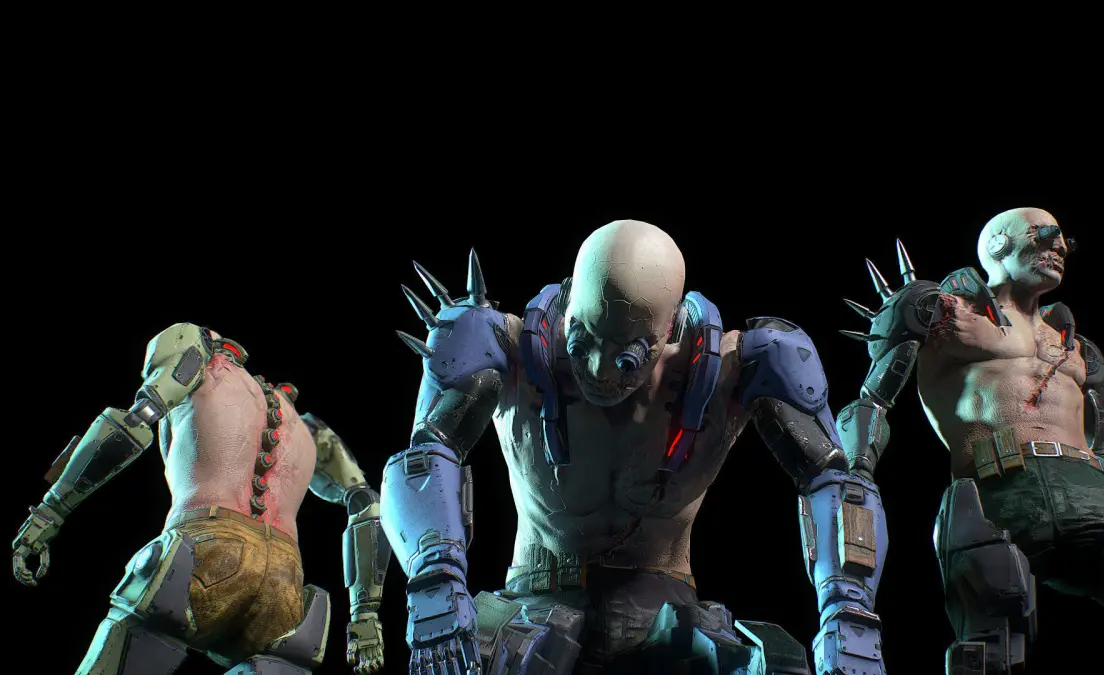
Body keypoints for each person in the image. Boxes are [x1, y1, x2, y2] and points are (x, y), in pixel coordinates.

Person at [382, 220, 888, 674]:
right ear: (568, 301)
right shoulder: (505, 347)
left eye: (627, 356)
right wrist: (436, 583)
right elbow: (426, 456)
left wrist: (848, 610)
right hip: (533, 603)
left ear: (669, 329)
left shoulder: (741, 365)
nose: (598, 370)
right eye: (582, 339)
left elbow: (832, 478)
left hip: (666, 612)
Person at [837, 208, 1104, 674]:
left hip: (1093, 496)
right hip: (998, 494)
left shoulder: (1077, 349)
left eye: (1063, 240)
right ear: (999, 244)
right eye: (1044, 236)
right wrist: (855, 472)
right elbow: (873, 400)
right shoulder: (938, 314)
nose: (1060, 248)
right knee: (990, 646)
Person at [11, 324, 389, 674]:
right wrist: (365, 615)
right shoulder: (308, 427)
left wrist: (50, 511)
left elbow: (133, 422)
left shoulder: (200, 358)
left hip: (203, 551)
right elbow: (367, 505)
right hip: (284, 583)